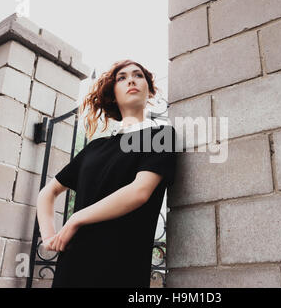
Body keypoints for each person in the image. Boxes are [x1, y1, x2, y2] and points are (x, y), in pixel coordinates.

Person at [36, 59, 178, 288]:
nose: (131, 79)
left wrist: (76, 218)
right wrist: (49, 235)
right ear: (113, 94)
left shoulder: (161, 136)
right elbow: (48, 191)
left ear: (150, 90)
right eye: (121, 78)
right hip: (72, 268)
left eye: (138, 75)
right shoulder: (95, 147)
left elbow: (140, 191)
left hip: (121, 269)